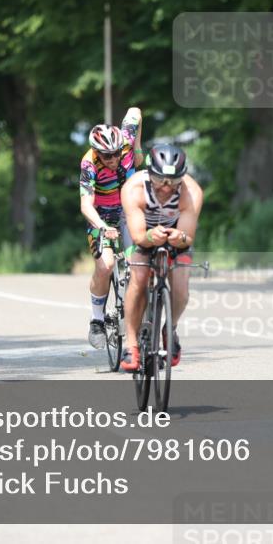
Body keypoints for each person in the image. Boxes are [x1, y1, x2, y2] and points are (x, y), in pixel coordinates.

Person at [119, 144, 203, 372]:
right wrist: (149, 236)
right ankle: (131, 344)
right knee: (138, 278)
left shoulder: (191, 192)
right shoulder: (133, 187)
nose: (166, 187)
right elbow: (138, 236)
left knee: (181, 290)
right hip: (142, 231)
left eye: (173, 181)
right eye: (160, 180)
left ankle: (170, 329)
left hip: (176, 235)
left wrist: (180, 237)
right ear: (149, 173)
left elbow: (187, 238)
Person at [79, 107, 143, 349]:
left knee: (138, 262)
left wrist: (137, 148)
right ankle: (97, 321)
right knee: (105, 265)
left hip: (128, 209)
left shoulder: (125, 142)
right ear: (97, 153)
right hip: (100, 214)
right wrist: (103, 227)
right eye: (107, 156)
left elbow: (136, 111)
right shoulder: (88, 163)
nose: (114, 159)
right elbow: (86, 205)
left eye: (116, 154)